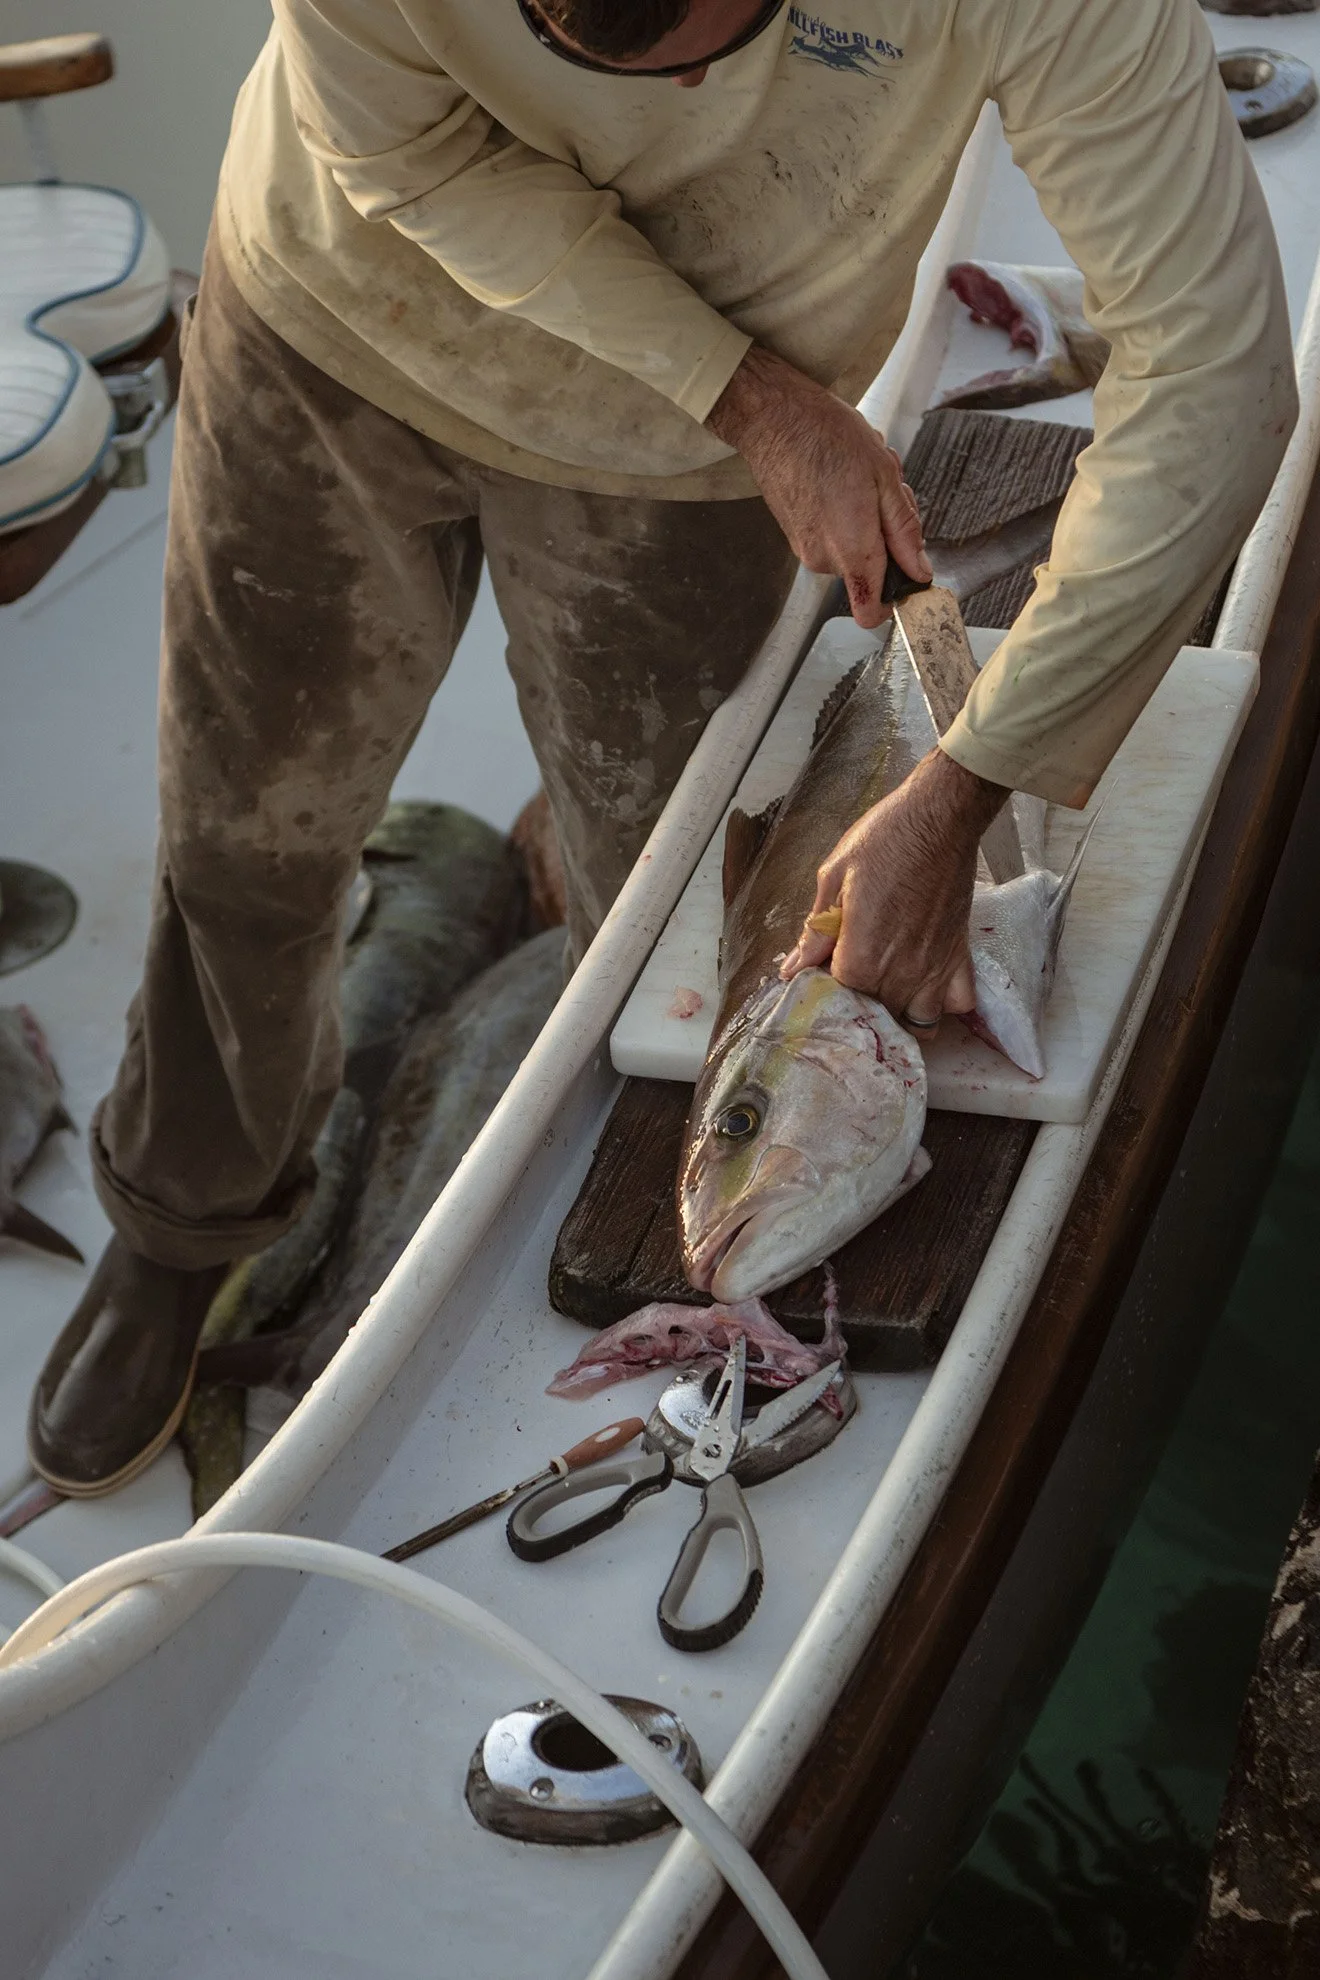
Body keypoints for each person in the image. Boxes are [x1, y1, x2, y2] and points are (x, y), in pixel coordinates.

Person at [28, 0, 1295, 1496]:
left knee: (670, 918)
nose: (691, 89)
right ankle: (183, 1219)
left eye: (721, 37)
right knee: (245, 840)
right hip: (338, 314)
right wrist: (754, 402)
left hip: (690, 425)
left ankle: (669, 1230)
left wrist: (964, 792)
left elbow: (1212, 369)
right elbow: (415, 162)